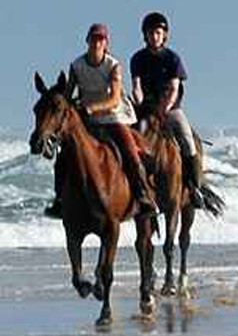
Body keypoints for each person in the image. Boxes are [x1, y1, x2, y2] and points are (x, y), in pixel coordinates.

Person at [44, 23, 157, 218]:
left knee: (131, 153)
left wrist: (91, 108)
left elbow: (114, 99)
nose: (97, 43)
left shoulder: (113, 65)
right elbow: (68, 95)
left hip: (113, 116)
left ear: (106, 43)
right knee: (63, 158)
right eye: (94, 39)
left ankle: (143, 196)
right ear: (87, 41)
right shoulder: (77, 66)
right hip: (87, 119)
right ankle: (60, 200)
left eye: (101, 39)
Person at [130, 12, 205, 209]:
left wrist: (165, 109)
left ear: (164, 35)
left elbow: (173, 89)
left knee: (188, 142)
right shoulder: (137, 58)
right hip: (146, 108)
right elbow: (136, 85)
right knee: (129, 138)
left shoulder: (173, 59)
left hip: (170, 109)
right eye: (150, 33)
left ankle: (194, 187)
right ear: (145, 36)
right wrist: (138, 102)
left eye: (158, 33)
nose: (154, 36)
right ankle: (133, 187)